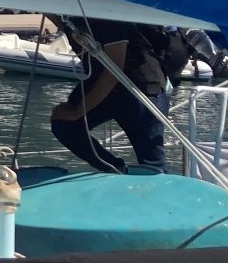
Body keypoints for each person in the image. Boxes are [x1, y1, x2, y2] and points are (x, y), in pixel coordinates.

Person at [50, 17, 170, 173]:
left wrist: (77, 112)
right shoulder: (67, 19)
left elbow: (115, 67)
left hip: (140, 88)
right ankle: (116, 171)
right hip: (102, 83)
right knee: (63, 124)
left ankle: (157, 190)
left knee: (152, 164)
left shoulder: (102, 16)